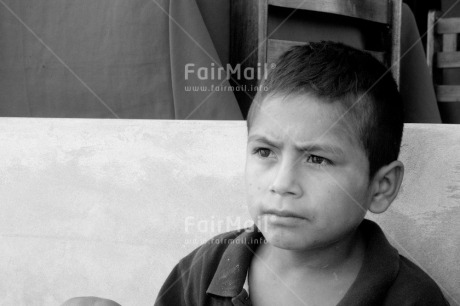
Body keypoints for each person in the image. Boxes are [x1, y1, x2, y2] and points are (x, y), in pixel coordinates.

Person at [154, 41, 449, 305]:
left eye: (316, 159)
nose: (282, 184)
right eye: (265, 152)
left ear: (381, 186)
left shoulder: (411, 298)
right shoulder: (204, 271)